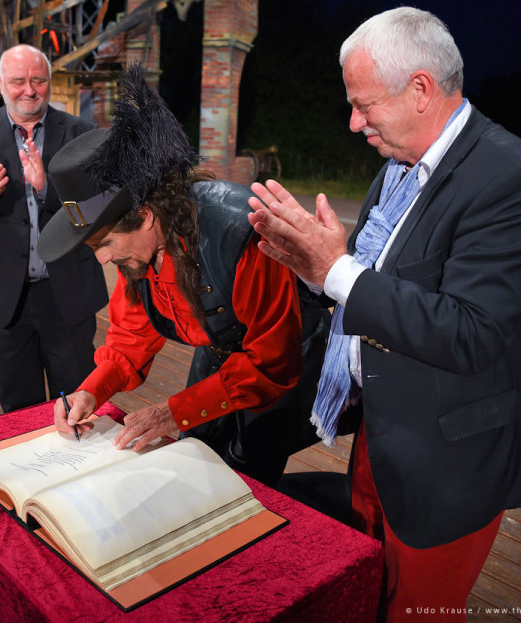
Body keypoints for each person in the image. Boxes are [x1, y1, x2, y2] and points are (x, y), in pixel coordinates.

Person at [247, 7, 521, 622]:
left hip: (449, 461)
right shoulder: (400, 166)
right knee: (369, 592)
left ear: (421, 89)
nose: (353, 122)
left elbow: (472, 333)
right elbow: (373, 285)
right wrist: (315, 268)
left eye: (364, 104)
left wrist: (335, 270)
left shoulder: (515, 177)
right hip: (382, 435)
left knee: (418, 610)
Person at [37, 64, 329, 485]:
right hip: (223, 349)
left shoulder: (239, 236)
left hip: (293, 359)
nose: (102, 260)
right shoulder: (136, 251)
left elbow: (271, 364)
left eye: (104, 245)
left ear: (144, 216)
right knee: (198, 457)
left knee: (246, 474)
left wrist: (172, 411)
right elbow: (131, 340)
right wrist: (90, 391)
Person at [0, 44, 107, 413]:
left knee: (79, 403)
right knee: (17, 408)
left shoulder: (81, 132)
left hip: (67, 293)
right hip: (3, 296)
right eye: (18, 81)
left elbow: (101, 205)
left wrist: (48, 189)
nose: (29, 90)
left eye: (38, 80)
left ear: (48, 82)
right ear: (1, 83)